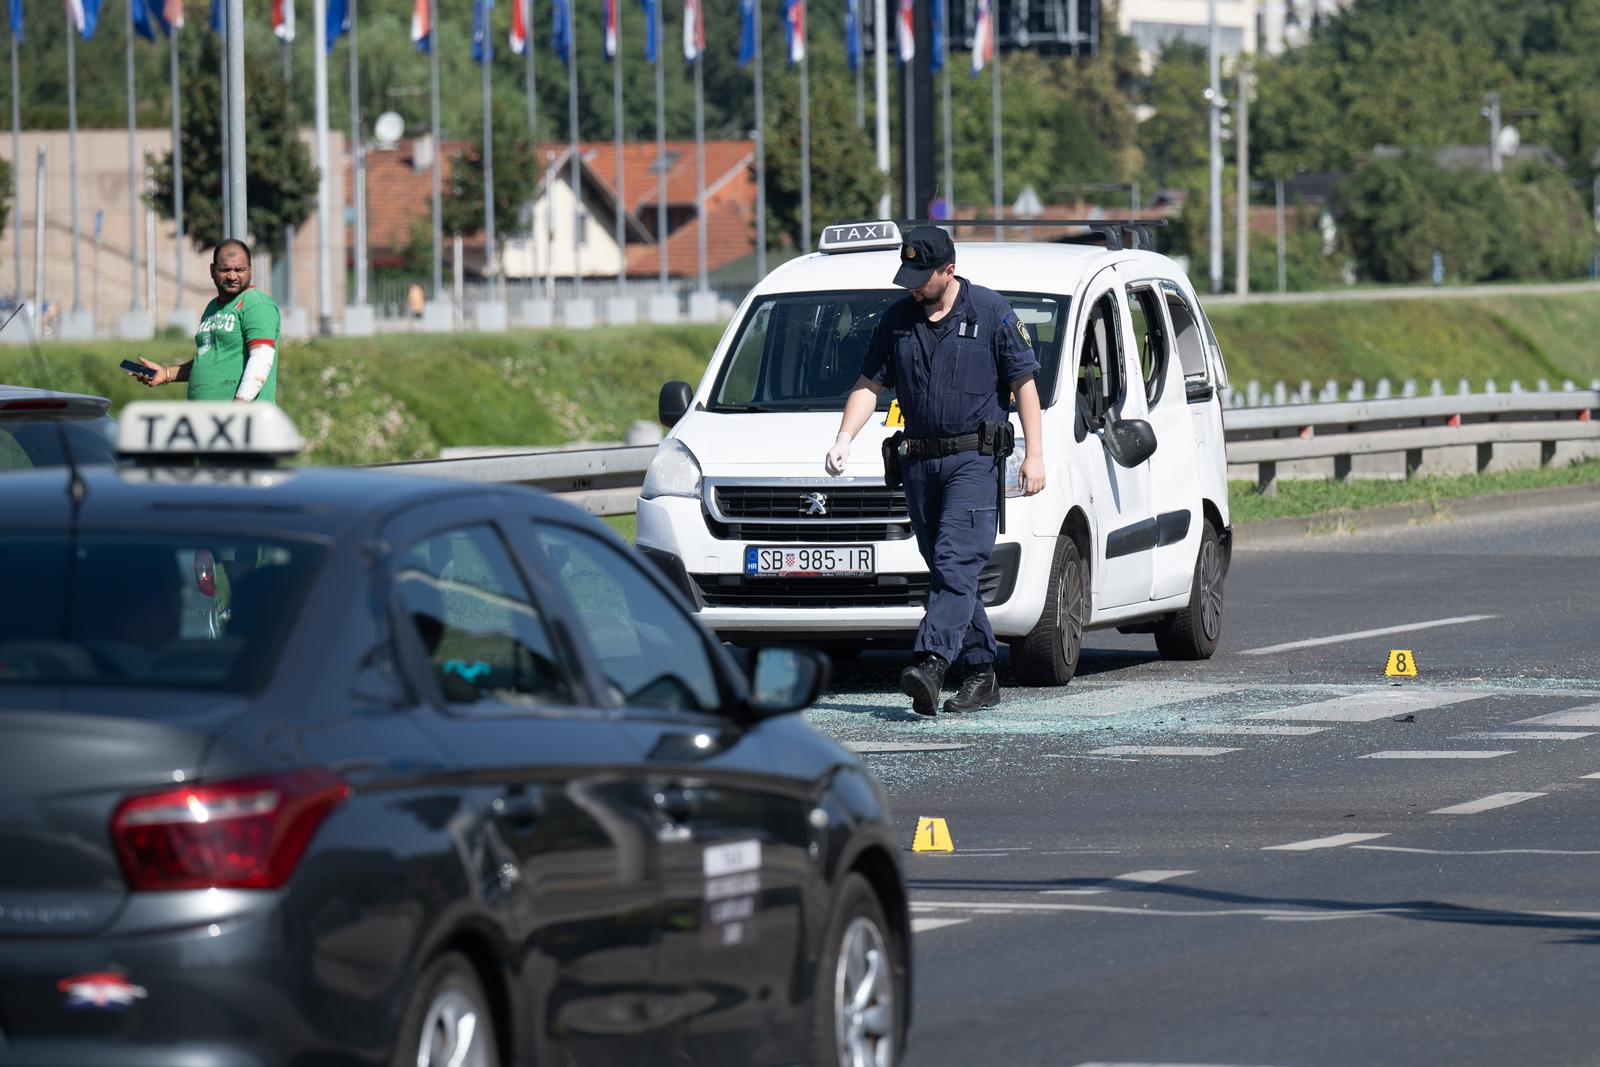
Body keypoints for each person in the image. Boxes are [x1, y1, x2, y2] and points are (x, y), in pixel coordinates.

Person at [825, 226, 1046, 717]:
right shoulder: (898, 320)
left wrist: (1035, 454)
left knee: (954, 561)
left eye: (922, 277)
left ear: (949, 270)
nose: (913, 286)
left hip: (973, 460)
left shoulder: (990, 312)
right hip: (919, 463)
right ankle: (983, 671)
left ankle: (930, 661)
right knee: (951, 570)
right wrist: (844, 437)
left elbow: (1023, 382)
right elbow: (869, 383)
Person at [132, 239, 281, 403]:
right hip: (209, 419)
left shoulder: (256, 303)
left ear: (250, 270)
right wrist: (166, 374)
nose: (232, 276)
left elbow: (261, 359)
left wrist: (240, 408)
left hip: (240, 420)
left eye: (239, 269)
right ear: (212, 270)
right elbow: (208, 359)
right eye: (225, 270)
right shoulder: (213, 307)